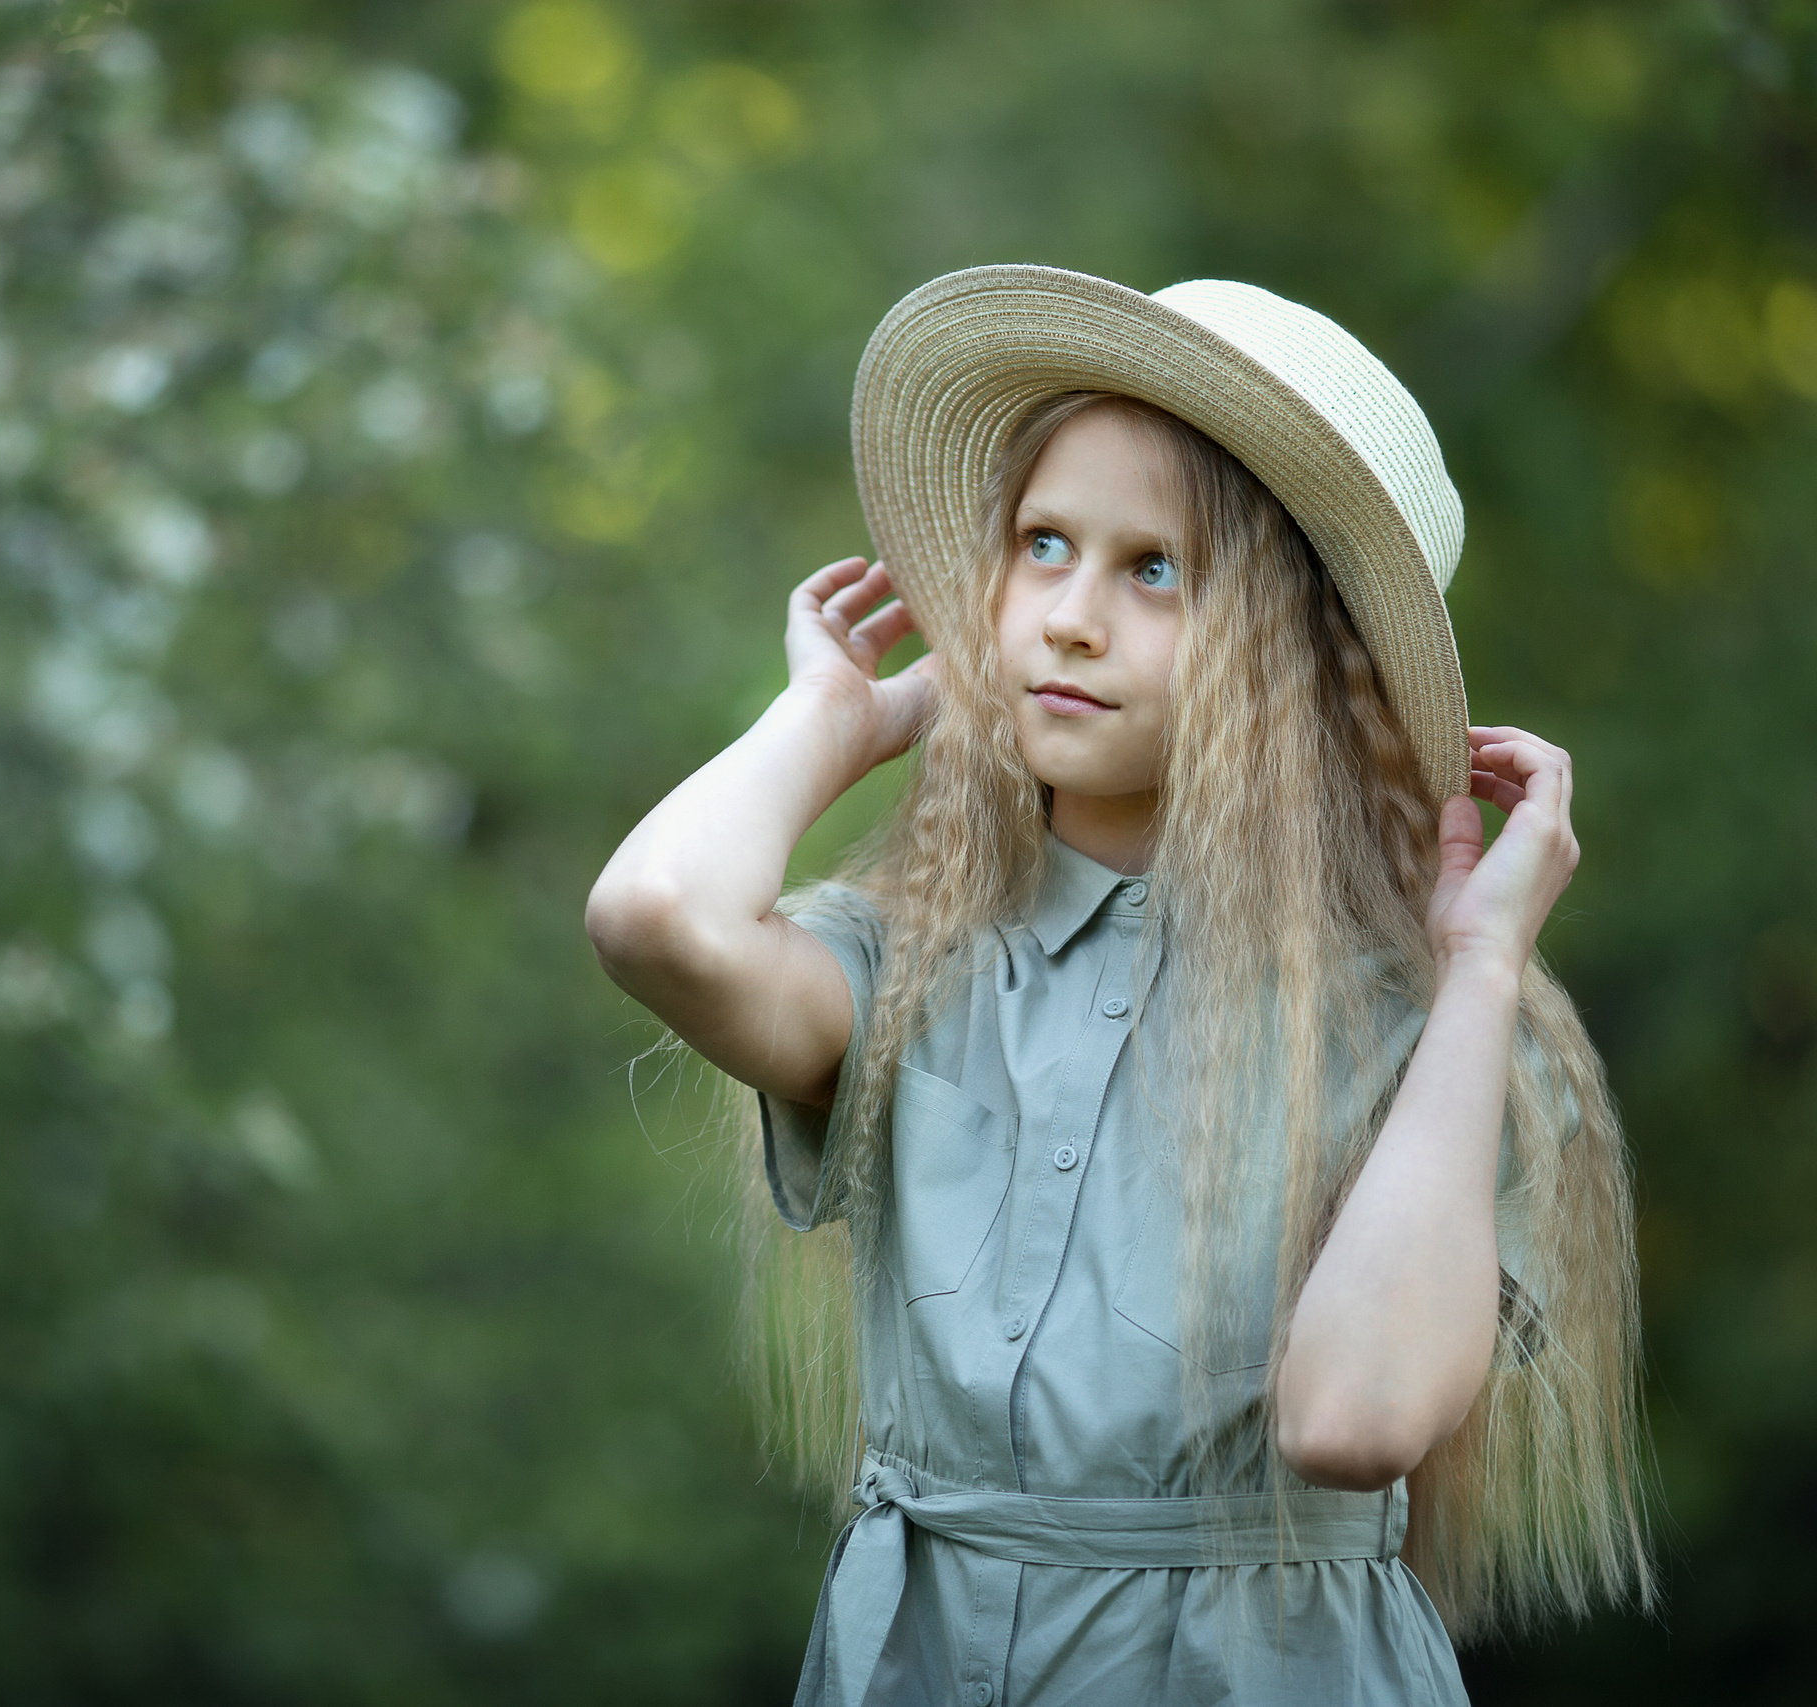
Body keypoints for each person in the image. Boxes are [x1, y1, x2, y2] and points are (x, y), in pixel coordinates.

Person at [584, 267, 1652, 1705]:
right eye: (1042, 546)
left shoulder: (1425, 1032)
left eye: (1154, 569)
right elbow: (656, 917)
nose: (1071, 618)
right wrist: (836, 719)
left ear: (1289, 656)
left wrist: (1477, 972)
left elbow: (1355, 1418)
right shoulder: (904, 964)